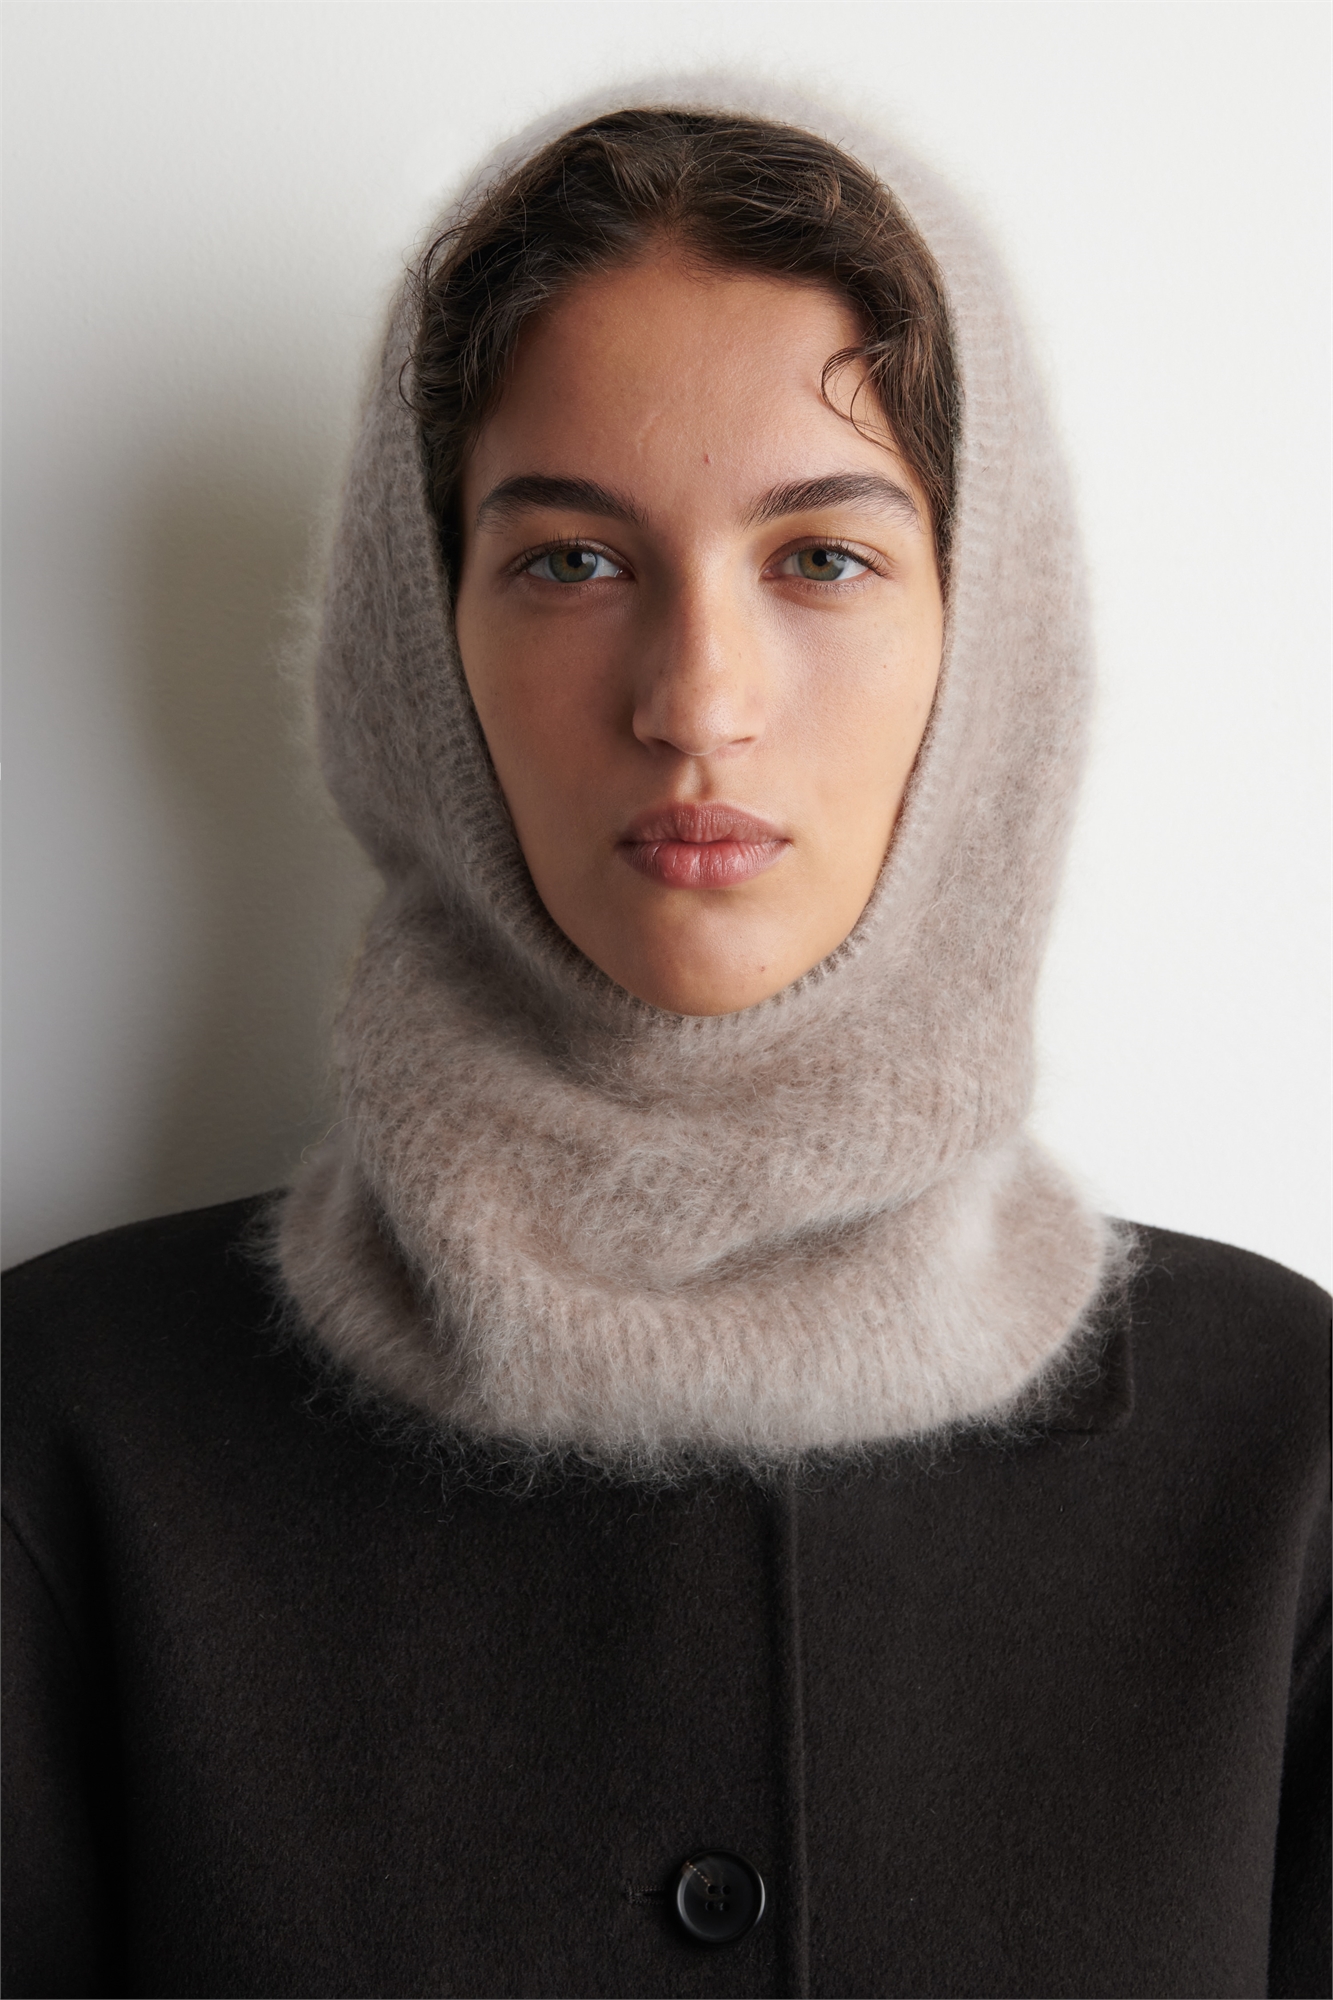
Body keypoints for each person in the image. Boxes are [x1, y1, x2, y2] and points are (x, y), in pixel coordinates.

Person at [3, 97, 1327, 2000]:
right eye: (570, 561)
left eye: (822, 558)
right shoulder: (67, 1435)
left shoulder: (1283, 1455)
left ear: (990, 641)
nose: (697, 700)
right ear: (415, 642)